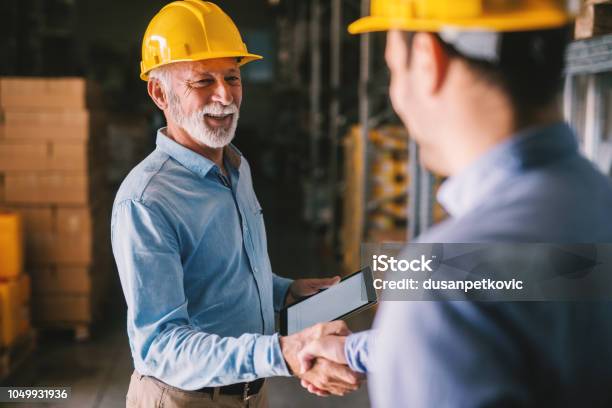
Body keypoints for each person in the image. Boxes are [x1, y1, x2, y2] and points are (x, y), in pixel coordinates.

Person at [298, 0, 612, 406]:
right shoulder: (593, 205)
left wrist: (412, 334)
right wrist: (359, 350)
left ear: (428, 60)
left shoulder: (441, 285)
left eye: (393, 68)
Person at [111, 1, 360, 407]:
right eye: (202, 82)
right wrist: (281, 352)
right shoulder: (146, 201)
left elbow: (220, 278)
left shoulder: (236, 166)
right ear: (159, 92)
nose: (225, 95)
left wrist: (285, 291)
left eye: (232, 77)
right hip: (184, 399)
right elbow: (160, 345)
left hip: (250, 392)